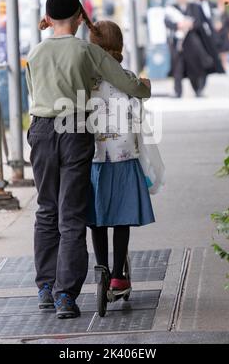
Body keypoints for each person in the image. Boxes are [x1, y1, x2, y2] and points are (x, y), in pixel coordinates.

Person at [26, 0, 151, 319]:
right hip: (74, 131)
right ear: (81, 18)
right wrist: (145, 86)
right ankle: (65, 295)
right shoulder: (86, 51)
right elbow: (128, 84)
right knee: (71, 214)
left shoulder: (35, 53)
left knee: (46, 209)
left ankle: (44, 287)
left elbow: (34, 95)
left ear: (49, 19)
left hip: (40, 130)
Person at [87, 20, 155, 292]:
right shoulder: (126, 77)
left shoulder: (85, 78)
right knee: (121, 217)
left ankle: (101, 266)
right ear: (119, 46)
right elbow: (141, 98)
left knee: (97, 217)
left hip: (94, 159)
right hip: (124, 156)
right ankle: (117, 275)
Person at [165, 0, 214, 98]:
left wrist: (190, 25)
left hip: (192, 42)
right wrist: (178, 25)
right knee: (178, 67)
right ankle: (178, 91)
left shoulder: (194, 7)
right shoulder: (171, 9)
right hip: (178, 42)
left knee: (195, 67)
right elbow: (167, 22)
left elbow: (200, 22)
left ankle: (198, 89)